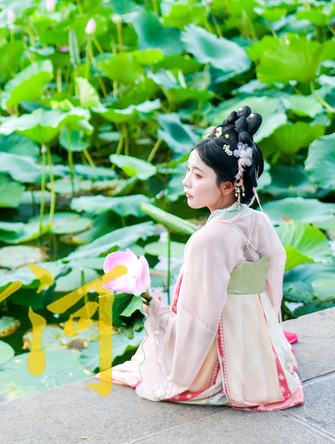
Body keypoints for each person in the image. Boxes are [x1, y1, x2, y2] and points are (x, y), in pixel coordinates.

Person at [110, 106, 304, 410]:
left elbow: (200, 321)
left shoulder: (207, 240)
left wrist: (156, 310)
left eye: (198, 175)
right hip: (255, 346)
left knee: (157, 367)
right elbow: (273, 275)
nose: (186, 181)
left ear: (228, 186)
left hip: (222, 351)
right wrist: (269, 331)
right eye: (188, 171)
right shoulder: (258, 220)